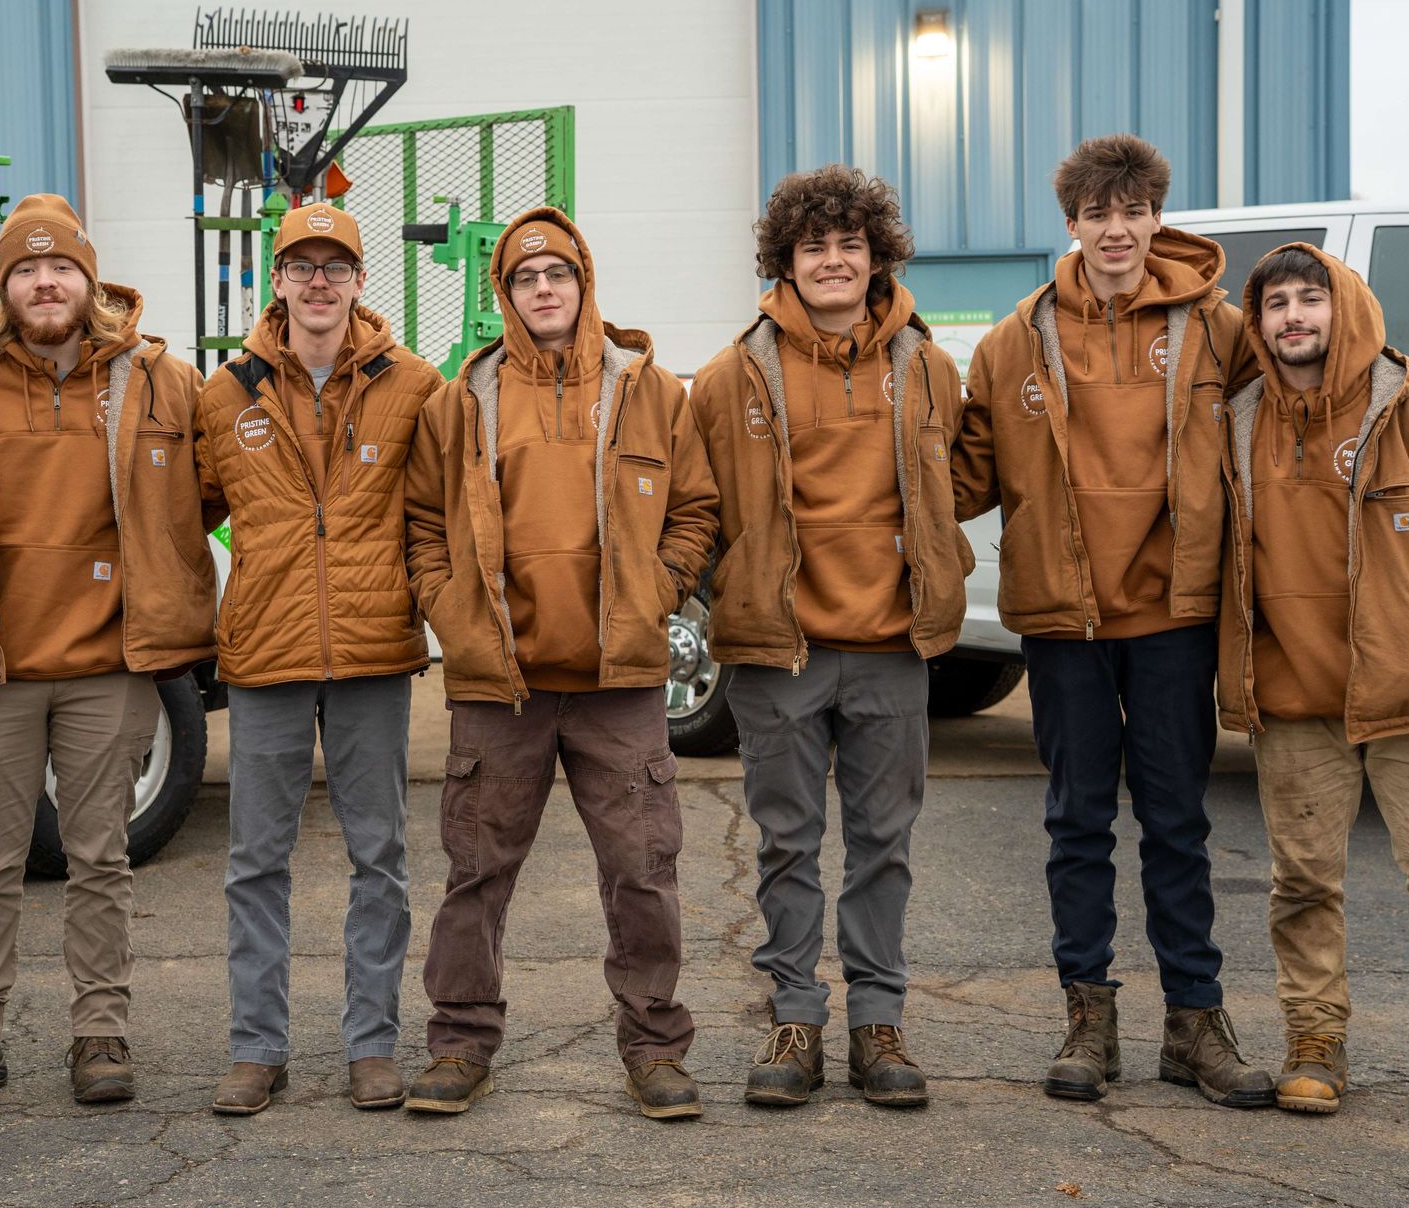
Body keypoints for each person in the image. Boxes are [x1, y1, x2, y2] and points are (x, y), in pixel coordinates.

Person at [951, 134, 1271, 1106]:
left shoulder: (1219, 328)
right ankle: (1087, 1017)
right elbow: (961, 470)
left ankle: (1195, 1022)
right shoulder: (1015, 340)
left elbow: (1293, 425)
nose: (1117, 230)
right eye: (1098, 213)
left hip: (1174, 617)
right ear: (1073, 224)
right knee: (1076, 823)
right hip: (1063, 623)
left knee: (1178, 822)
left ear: (1155, 217)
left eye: (1133, 212)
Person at [402, 208, 719, 1120]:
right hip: (500, 684)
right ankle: (460, 1044)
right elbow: (424, 525)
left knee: (643, 869)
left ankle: (656, 1048)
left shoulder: (650, 391)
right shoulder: (460, 400)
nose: (544, 289)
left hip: (617, 684)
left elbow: (695, 509)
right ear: (503, 295)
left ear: (585, 284)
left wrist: (658, 591)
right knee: (476, 871)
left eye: (559, 275)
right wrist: (453, 613)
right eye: (524, 278)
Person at [0, 195, 216, 1112]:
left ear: (90, 279)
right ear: (3, 286)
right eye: (27, 269)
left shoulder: (161, 379)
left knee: (100, 860)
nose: (47, 282)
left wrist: (153, 575)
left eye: (63, 268)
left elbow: (210, 491)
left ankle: (100, 1033)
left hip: (111, 667)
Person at [1220, 242, 1409, 1131]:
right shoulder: (1237, 421)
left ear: (1345, 306)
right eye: (1274, 305)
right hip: (1294, 698)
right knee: (1303, 886)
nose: (1292, 319)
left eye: (1309, 300)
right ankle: (1314, 1043)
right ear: (1259, 321)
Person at [689, 164, 971, 1108]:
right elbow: (698, 500)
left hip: (894, 648)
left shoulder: (927, 365)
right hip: (781, 654)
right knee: (786, 844)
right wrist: (733, 579)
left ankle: (877, 1024)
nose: (834, 261)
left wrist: (932, 559)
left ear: (877, 255)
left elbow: (959, 482)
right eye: (814, 247)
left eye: (851, 244)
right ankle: (796, 1017)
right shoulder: (734, 374)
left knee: (884, 843)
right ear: (786, 261)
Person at [198, 203, 443, 1115]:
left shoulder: (414, 385)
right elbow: (185, 515)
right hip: (264, 652)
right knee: (255, 859)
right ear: (279, 279)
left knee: (378, 854)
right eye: (301, 265)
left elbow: (440, 514)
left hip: (375, 650)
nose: (318, 282)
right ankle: (257, 1048)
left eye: (334, 266)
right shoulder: (224, 393)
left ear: (359, 281)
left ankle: (371, 1043)